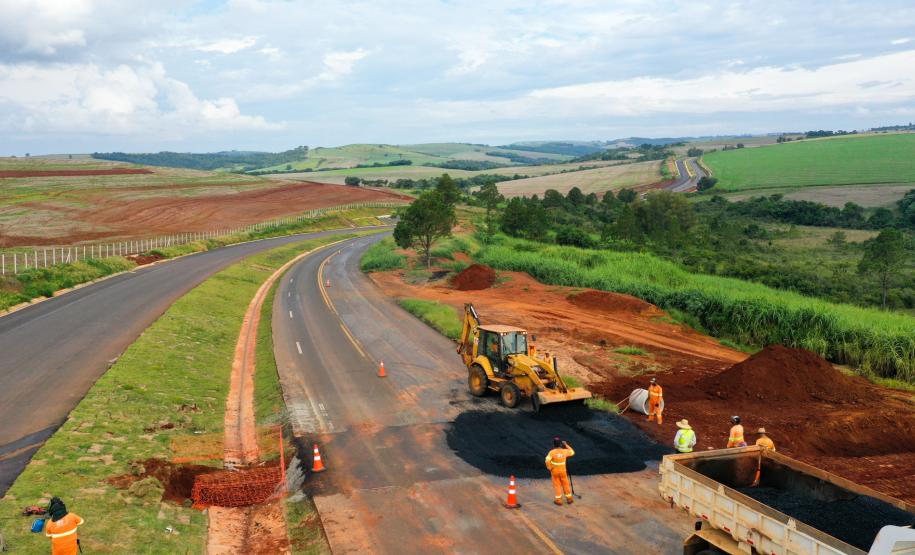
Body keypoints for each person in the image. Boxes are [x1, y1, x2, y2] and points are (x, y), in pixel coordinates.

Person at [545, 437, 575, 506]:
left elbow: (547, 460)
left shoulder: (551, 452)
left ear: (554, 444)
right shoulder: (565, 451)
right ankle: (569, 499)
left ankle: (558, 500)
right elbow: (572, 452)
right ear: (561, 444)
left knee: (557, 485)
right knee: (565, 484)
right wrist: (566, 445)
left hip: (555, 472)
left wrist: (550, 468)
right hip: (563, 471)